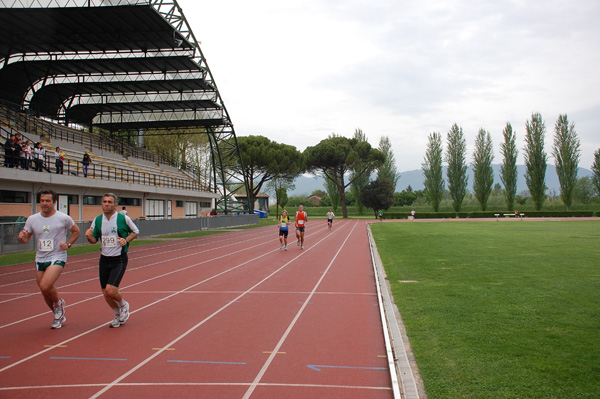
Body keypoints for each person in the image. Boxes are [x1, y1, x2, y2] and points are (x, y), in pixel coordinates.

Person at [18, 189, 81, 329]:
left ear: (54, 202)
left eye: (47, 201)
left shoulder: (63, 218)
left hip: (57, 255)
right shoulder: (32, 219)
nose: (44, 203)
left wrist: (68, 244)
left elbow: (76, 231)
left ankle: (58, 304)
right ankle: (57, 314)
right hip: (40, 257)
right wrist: (21, 237)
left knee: (46, 285)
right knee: (44, 290)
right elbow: (25, 238)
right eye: (42, 201)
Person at [85, 193, 139, 328]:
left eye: (109, 202)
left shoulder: (123, 218)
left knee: (111, 289)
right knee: (105, 293)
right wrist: (88, 236)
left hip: (119, 259)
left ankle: (123, 305)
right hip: (104, 259)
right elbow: (93, 241)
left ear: (115, 205)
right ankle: (117, 313)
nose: (106, 204)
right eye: (104, 201)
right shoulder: (97, 220)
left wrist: (125, 240)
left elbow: (135, 231)